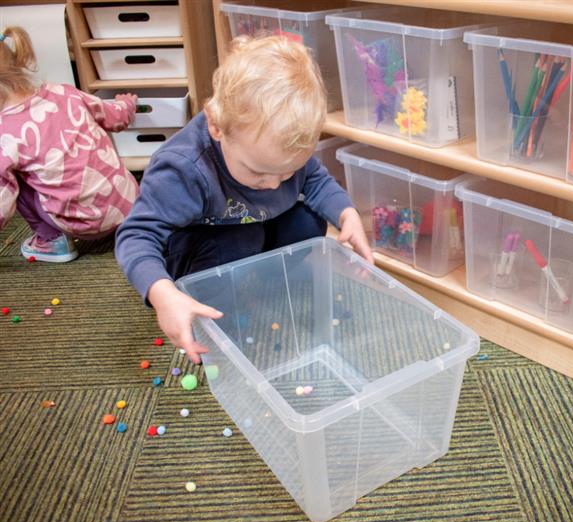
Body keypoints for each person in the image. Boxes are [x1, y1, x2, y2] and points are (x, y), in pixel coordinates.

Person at [115, 35, 373, 363]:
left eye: (286, 173)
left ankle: (267, 276)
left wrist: (348, 214)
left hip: (255, 222)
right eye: (257, 172)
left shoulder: (279, 153)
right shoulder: (183, 169)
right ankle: (212, 299)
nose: (273, 185)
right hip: (202, 242)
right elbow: (136, 236)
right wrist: (161, 293)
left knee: (308, 220)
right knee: (238, 241)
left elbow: (317, 180)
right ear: (216, 126)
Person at [0, 26, 139, 262]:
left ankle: (50, 242)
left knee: (13, 183)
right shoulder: (64, 92)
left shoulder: (5, 134)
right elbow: (115, 117)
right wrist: (127, 104)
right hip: (131, 205)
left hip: (85, 226)